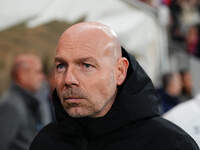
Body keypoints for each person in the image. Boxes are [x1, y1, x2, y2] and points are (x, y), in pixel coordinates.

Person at [30, 22, 199, 150]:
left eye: (86, 65)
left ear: (120, 71)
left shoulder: (170, 144)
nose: (68, 79)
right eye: (61, 66)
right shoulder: (45, 142)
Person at [0, 54, 44, 150]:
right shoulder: (11, 105)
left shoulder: (23, 102)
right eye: (38, 72)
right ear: (22, 75)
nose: (42, 77)